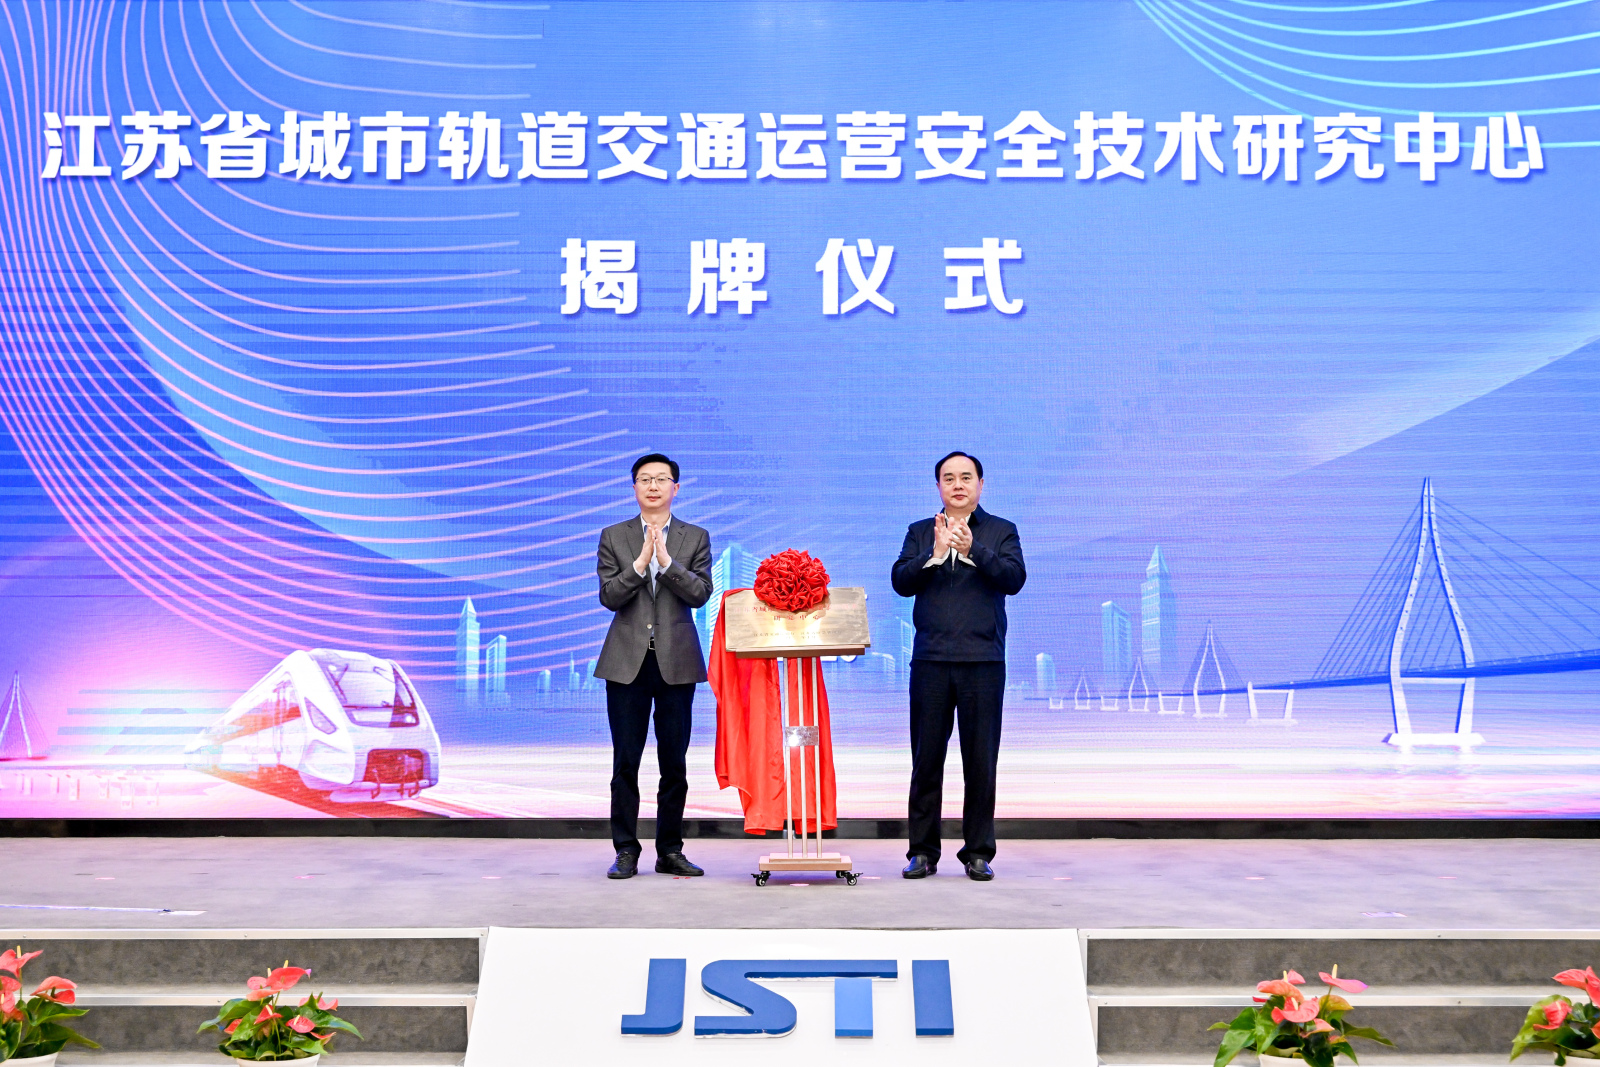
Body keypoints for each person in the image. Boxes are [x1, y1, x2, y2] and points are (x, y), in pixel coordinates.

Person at [890, 451, 1026, 881]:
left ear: (981, 484)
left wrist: (974, 550)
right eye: (948, 478)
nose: (958, 485)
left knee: (980, 763)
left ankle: (978, 852)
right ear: (938, 487)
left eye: (966, 477)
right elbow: (900, 581)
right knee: (925, 761)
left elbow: (1014, 579)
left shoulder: (1001, 530)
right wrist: (931, 554)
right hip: (930, 661)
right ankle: (922, 852)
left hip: (983, 662)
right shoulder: (919, 531)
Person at [595, 453, 713, 879]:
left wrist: (666, 563)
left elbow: (700, 594)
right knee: (625, 762)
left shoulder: (694, 536)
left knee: (674, 763)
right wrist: (640, 563)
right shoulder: (614, 535)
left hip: (676, 662)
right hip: (626, 663)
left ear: (675, 488)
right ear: (634, 488)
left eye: (661, 479)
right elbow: (610, 596)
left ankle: (670, 850)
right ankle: (626, 850)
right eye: (645, 479)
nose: (653, 486)